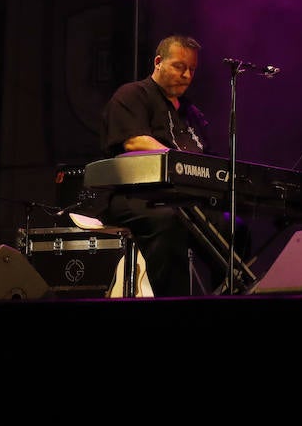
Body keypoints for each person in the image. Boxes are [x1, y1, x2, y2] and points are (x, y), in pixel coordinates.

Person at [99, 34, 231, 297]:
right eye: (179, 66)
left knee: (234, 227)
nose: (186, 75)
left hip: (185, 201)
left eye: (192, 69)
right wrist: (180, 161)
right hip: (135, 196)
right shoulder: (133, 94)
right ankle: (171, 299)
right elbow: (134, 142)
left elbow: (210, 161)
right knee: (171, 222)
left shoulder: (192, 113)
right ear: (158, 61)